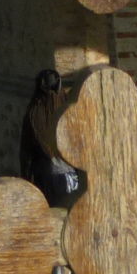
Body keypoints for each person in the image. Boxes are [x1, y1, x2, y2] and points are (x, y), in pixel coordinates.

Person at [18, 68, 82, 205]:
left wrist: (27, 179)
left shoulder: (34, 111)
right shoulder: (67, 107)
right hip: (60, 172)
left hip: (54, 172)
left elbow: (27, 153)